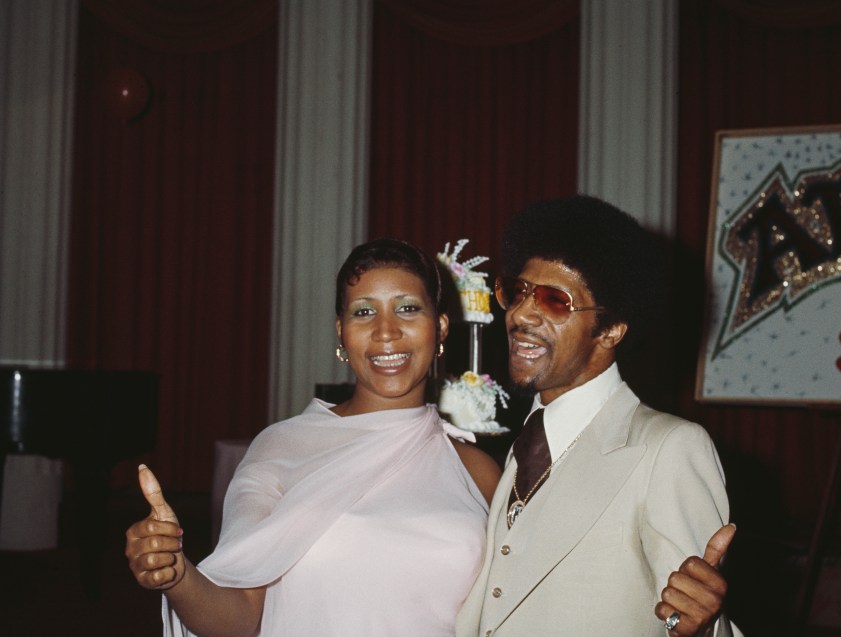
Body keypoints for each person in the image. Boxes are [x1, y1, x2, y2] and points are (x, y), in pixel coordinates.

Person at [125, 238, 502, 636]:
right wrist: (178, 576)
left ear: (440, 327)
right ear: (341, 333)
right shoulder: (282, 448)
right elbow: (239, 618)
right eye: (364, 312)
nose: (386, 331)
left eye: (407, 308)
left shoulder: (478, 471)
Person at [455, 195, 739, 637]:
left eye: (554, 300)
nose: (520, 313)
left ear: (610, 331)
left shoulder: (668, 448)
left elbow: (692, 616)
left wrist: (702, 628)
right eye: (516, 291)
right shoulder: (521, 446)